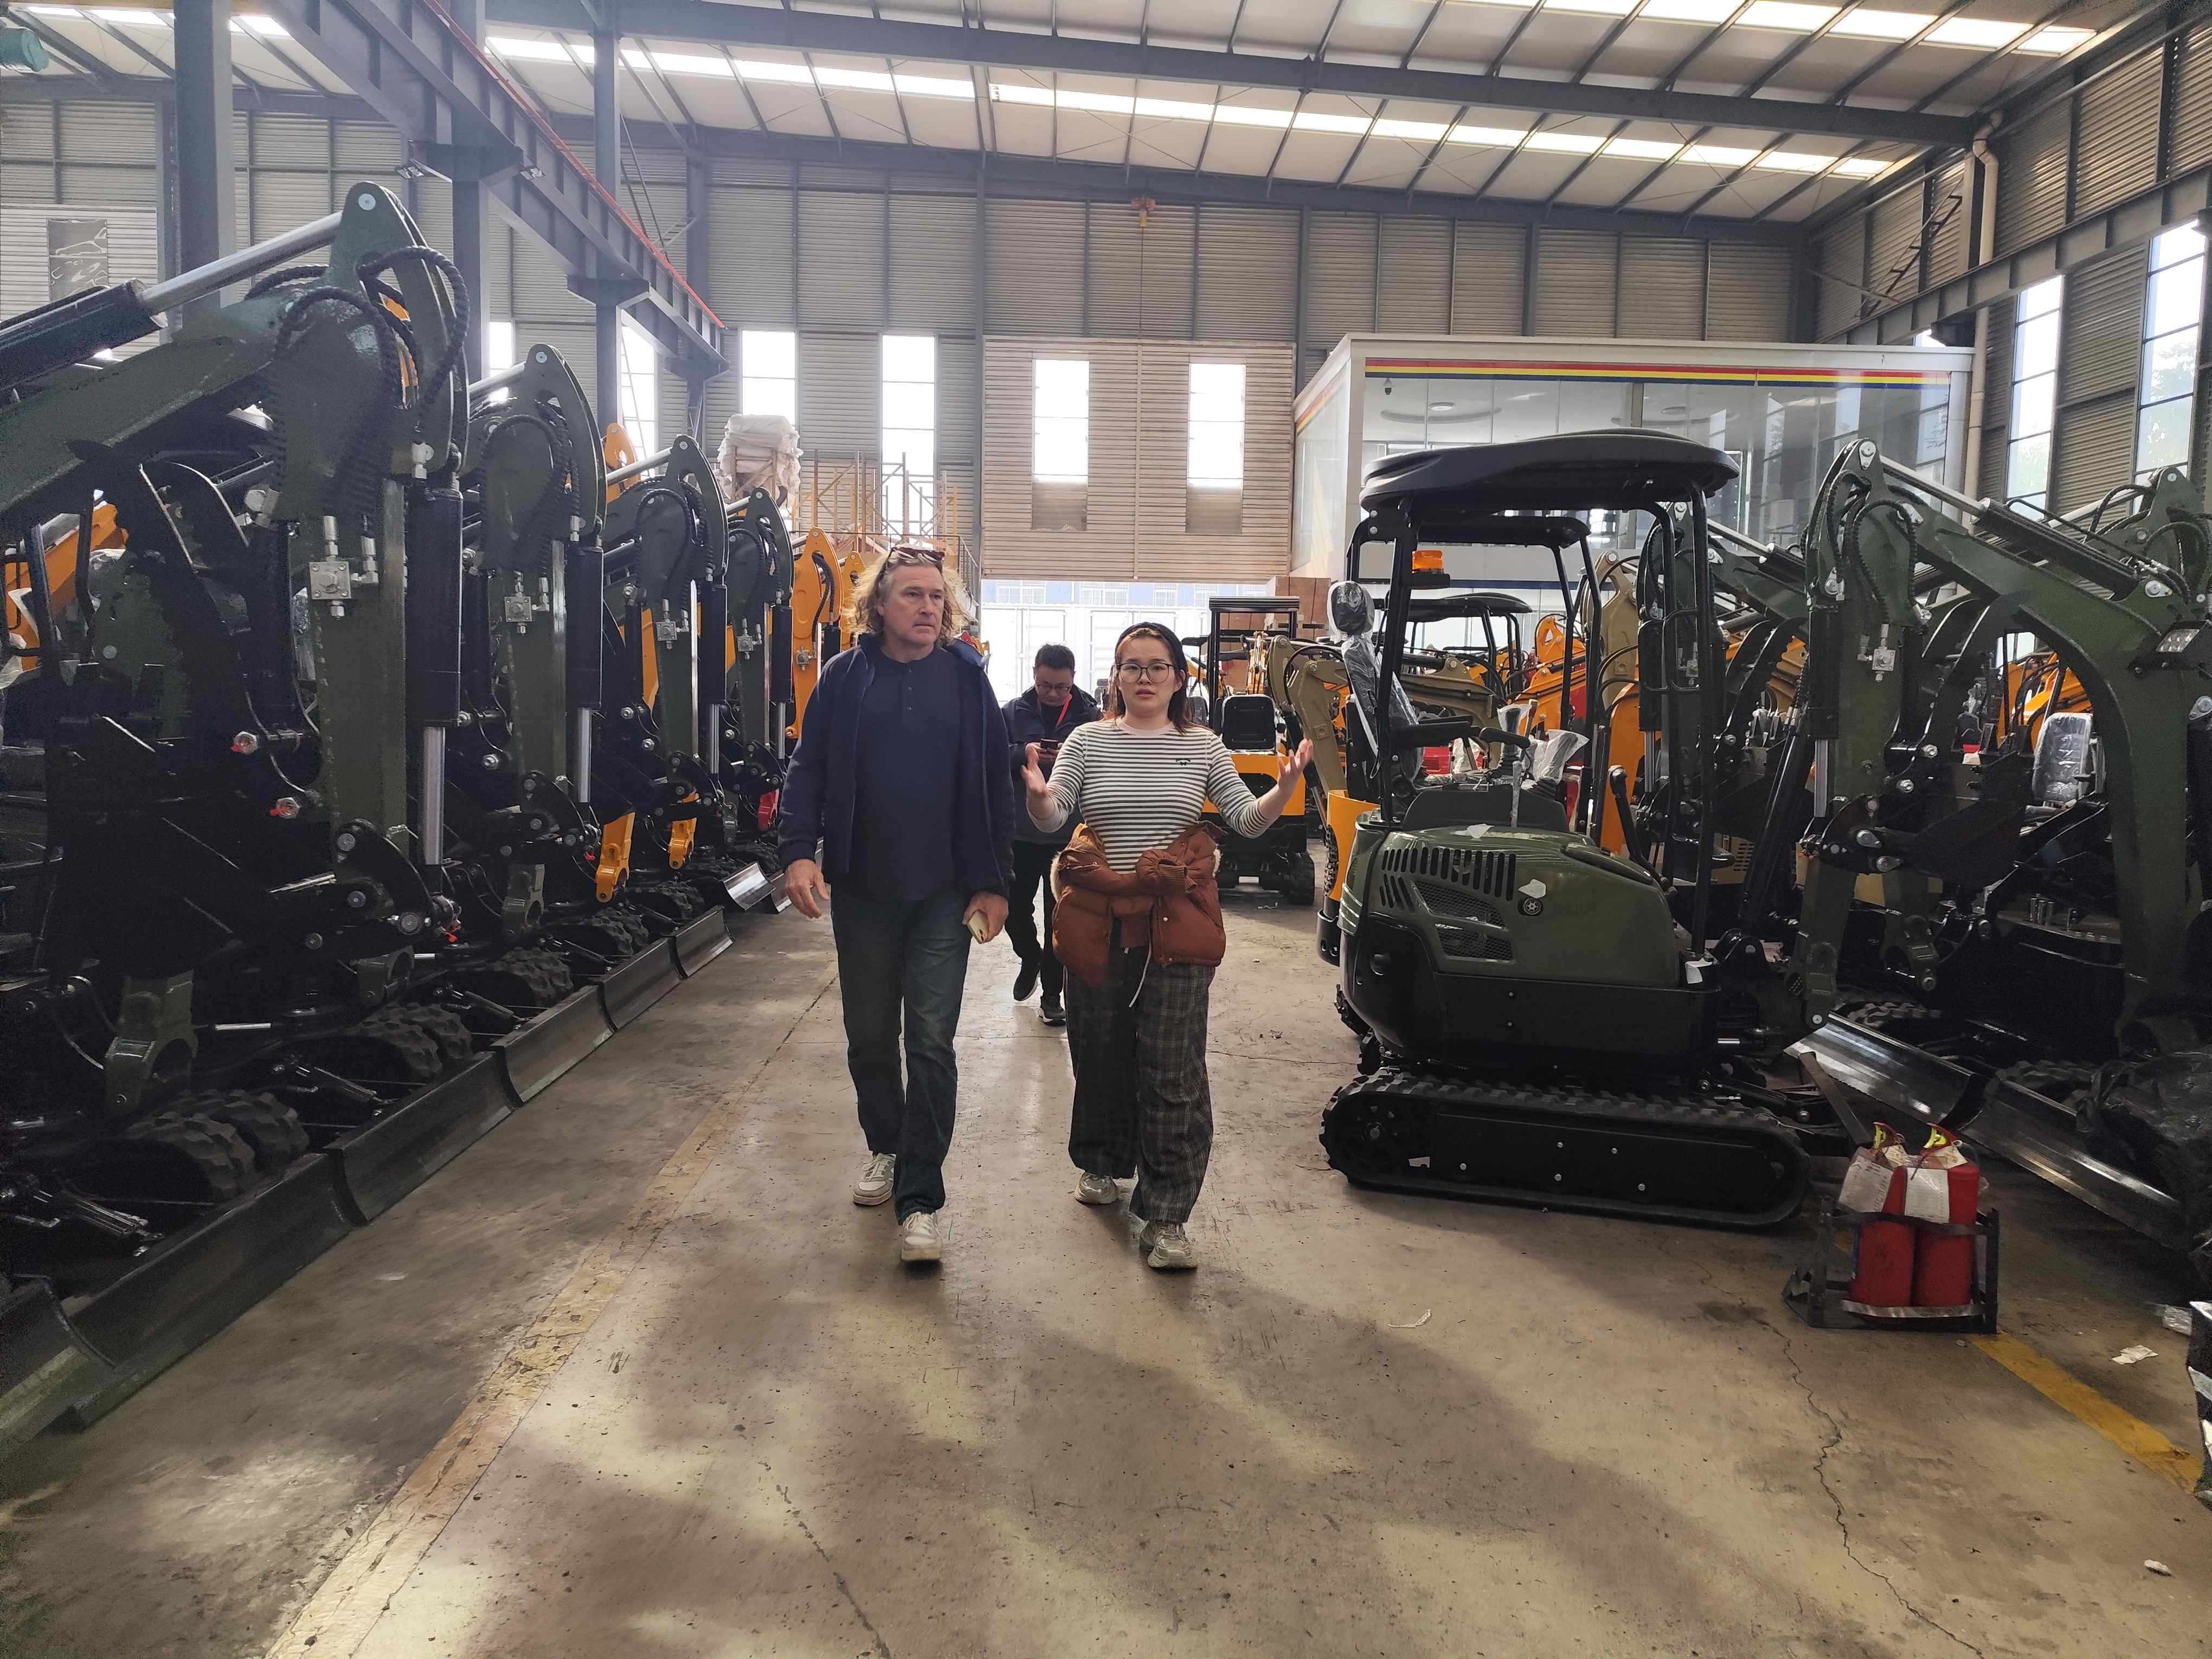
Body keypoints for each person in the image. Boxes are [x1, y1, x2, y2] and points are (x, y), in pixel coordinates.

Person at [1020, 622, 1310, 1271]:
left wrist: (1285, 788)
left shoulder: (1201, 745)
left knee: (1172, 1069)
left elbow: (1244, 820)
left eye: (1157, 666)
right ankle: (1101, 1160)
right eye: (1132, 666)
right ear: (1116, 678)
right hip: (1099, 924)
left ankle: (1168, 1214)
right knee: (1098, 1053)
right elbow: (1056, 812)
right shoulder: (1088, 741)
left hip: (1173, 927)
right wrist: (1039, 799)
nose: (1145, 677)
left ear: (1180, 678)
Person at [779, 545, 1015, 1266]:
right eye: (912, 595)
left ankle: (921, 1199)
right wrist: (798, 850)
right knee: (870, 1037)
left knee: (932, 1043)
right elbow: (807, 769)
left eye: (937, 597)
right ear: (877, 605)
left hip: (945, 894)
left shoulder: (967, 680)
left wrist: (997, 881)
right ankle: (886, 1144)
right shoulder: (844, 678)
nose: (927, 608)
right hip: (865, 892)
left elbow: (995, 784)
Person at [1000, 645, 1099, 1028]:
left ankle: (1052, 997)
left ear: (1073, 679)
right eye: (1045, 686)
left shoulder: (1091, 718)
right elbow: (991, 753)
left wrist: (1069, 759)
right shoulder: (1012, 712)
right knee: (1013, 909)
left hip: (1068, 834)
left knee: (1061, 918)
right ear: (1034, 675)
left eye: (1061, 687)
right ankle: (1030, 956)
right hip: (1021, 833)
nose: (1053, 694)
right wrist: (1022, 753)